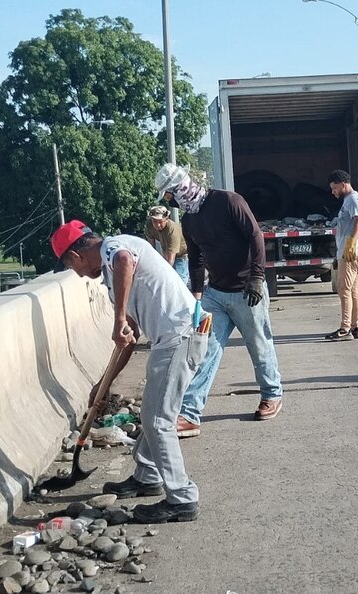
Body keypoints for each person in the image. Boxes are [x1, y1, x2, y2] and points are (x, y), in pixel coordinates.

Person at [50, 219, 209, 523]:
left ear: (75, 257)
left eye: (73, 268)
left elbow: (124, 263)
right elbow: (129, 336)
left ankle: (182, 499)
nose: (79, 274)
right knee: (153, 411)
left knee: (157, 419)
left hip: (180, 335)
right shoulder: (113, 277)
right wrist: (103, 383)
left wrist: (118, 318)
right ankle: (148, 476)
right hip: (175, 338)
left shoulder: (114, 247)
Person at [153, 163, 283, 437]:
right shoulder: (189, 221)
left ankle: (272, 394)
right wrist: (197, 299)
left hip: (247, 290)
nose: (169, 200)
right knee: (204, 351)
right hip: (217, 294)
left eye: (169, 194)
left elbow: (255, 235)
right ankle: (190, 414)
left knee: (259, 345)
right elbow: (197, 260)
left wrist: (257, 277)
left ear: (180, 188)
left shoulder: (227, 201)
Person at [325, 169, 358, 341]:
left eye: (334, 188)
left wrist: (351, 242)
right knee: (354, 292)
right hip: (352, 251)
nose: (333, 192)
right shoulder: (348, 200)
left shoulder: (354, 199)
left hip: (351, 253)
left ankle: (345, 329)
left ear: (343, 184)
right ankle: (355, 327)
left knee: (344, 290)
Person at [145, 204, 190, 285]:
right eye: (154, 221)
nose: (157, 225)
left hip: (181, 255)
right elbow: (150, 247)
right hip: (165, 252)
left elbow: (170, 260)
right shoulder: (149, 224)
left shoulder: (172, 230)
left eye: (160, 222)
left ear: (166, 218)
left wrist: (162, 275)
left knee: (179, 284)